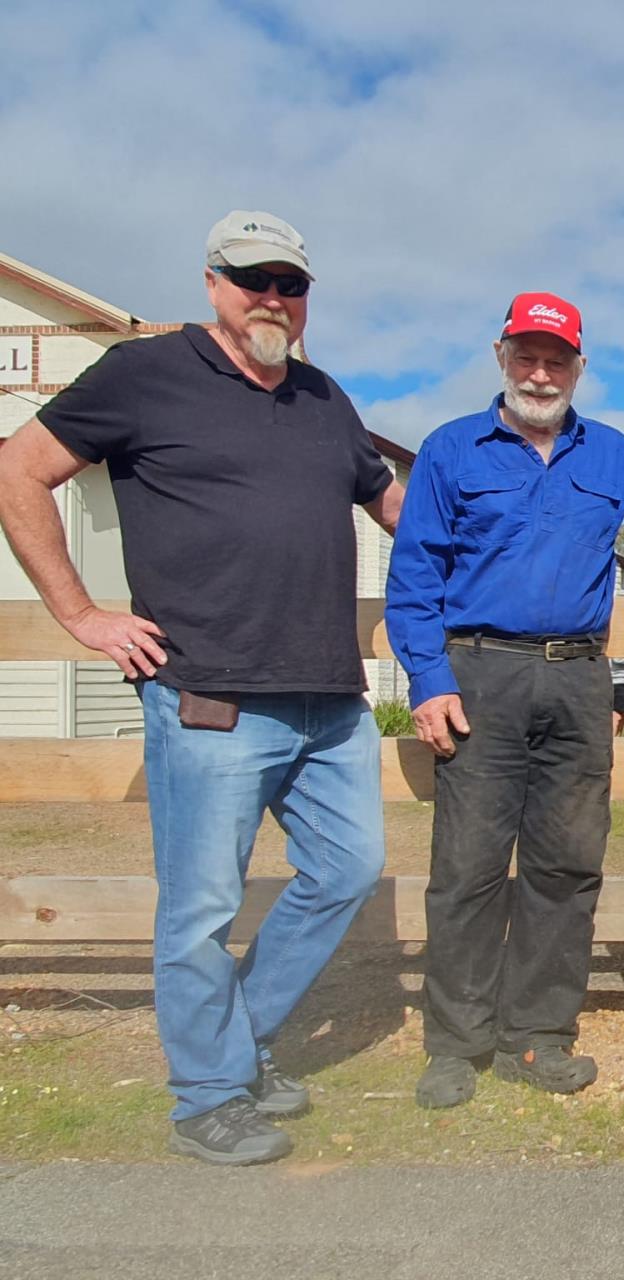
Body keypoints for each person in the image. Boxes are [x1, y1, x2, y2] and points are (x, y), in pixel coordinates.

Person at [0, 211, 402, 1165]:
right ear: (213, 281)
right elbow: (19, 469)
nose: (273, 296)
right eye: (252, 277)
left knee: (347, 870)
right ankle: (209, 1095)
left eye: (291, 283)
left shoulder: (321, 398)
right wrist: (81, 614)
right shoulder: (147, 372)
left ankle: (234, 1042)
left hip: (328, 699)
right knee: (199, 909)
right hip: (207, 697)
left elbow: (395, 503)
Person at [385, 292, 624, 1109]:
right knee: (466, 867)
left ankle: (537, 1039)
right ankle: (455, 1045)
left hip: (579, 680)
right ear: (502, 357)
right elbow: (414, 578)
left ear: (579, 366)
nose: (542, 372)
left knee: (566, 865)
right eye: (528, 356)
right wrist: (429, 682)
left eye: (558, 358)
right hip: (480, 675)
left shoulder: (610, 454)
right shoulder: (450, 450)